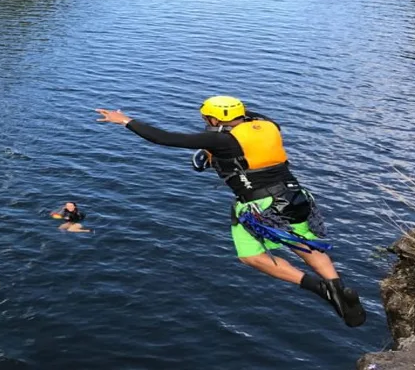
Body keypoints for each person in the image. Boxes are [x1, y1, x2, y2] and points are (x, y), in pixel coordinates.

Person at [95, 96, 365, 327]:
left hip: (260, 206)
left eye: (206, 119)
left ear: (214, 121)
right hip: (294, 196)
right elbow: (249, 121)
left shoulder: (225, 142)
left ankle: (319, 289)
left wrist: (125, 120)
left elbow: (166, 138)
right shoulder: (269, 127)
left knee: (251, 256)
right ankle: (339, 289)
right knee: (305, 245)